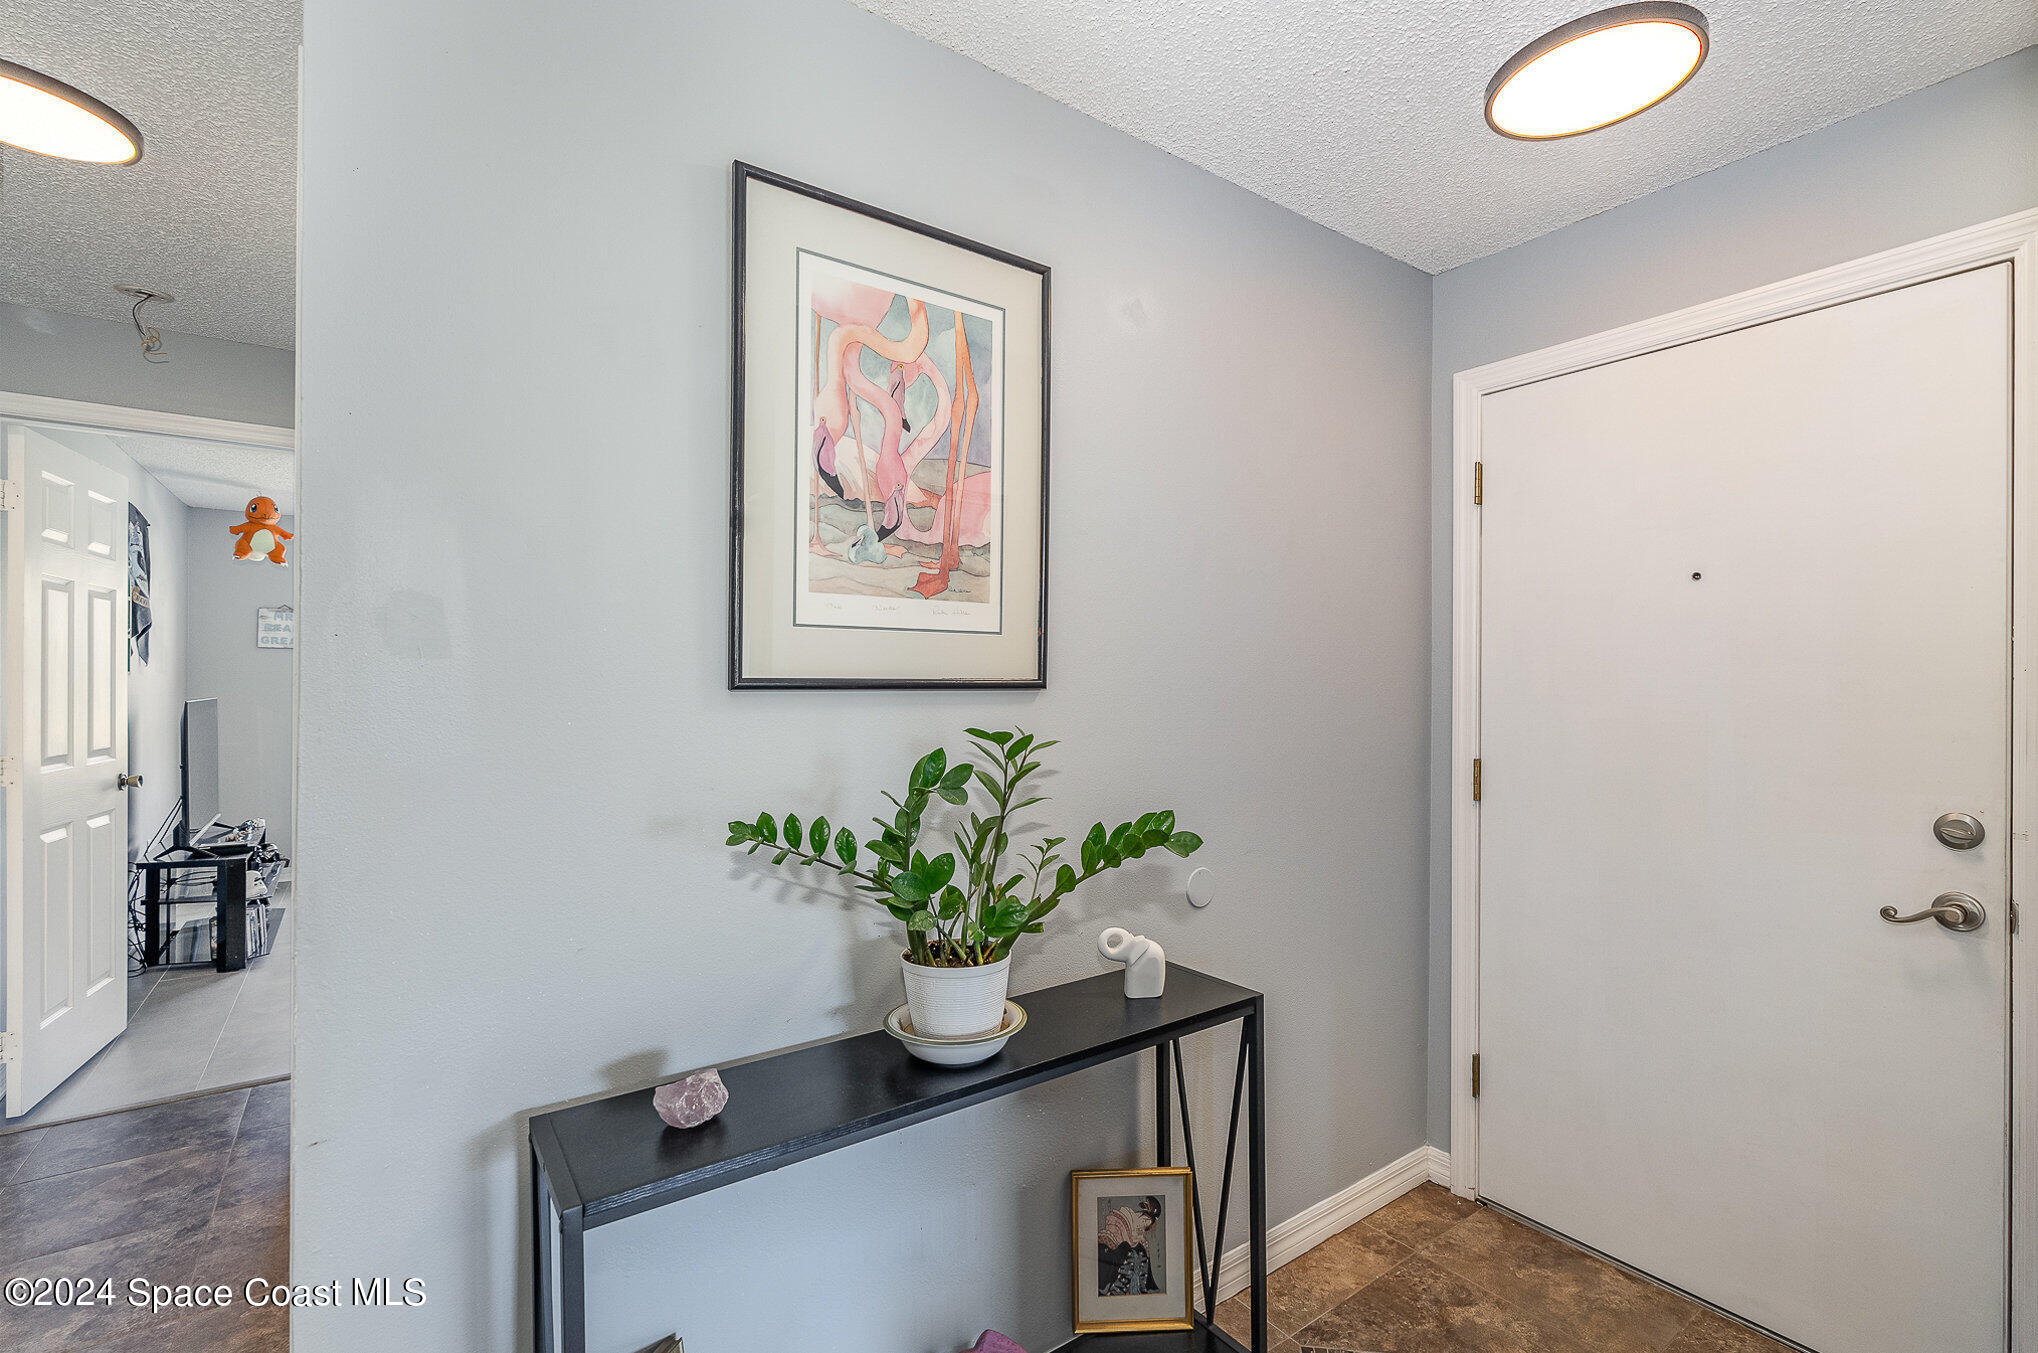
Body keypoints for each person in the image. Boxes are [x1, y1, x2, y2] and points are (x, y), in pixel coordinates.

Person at [1097, 1196, 1164, 1295]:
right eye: (1144, 1220)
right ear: (1137, 1215)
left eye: (1146, 1225)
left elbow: (1145, 1279)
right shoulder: (1109, 1237)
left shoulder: (1141, 1247)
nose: (1142, 1226)